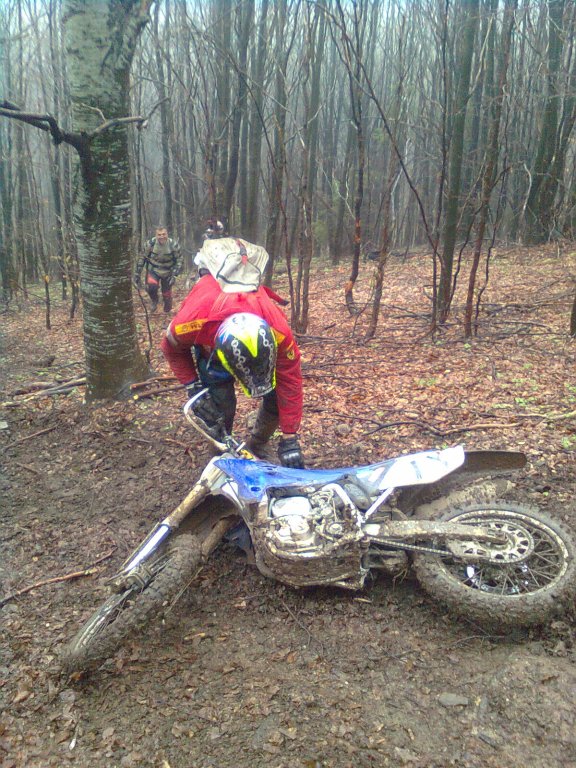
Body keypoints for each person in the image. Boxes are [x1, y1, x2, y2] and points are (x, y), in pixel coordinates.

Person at [160, 225, 304, 468]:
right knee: (219, 405)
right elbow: (171, 348)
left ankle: (258, 444)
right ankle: (220, 453)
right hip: (211, 342)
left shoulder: (278, 331)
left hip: (241, 330)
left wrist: (290, 437)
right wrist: (193, 387)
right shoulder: (193, 322)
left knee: (274, 396)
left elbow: (290, 381)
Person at [134, 226, 182, 313]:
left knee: (167, 296)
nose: (162, 237)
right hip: (153, 270)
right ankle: (154, 300)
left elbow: (179, 260)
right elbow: (142, 258)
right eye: (159, 235)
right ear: (156, 235)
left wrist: (175, 274)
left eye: (164, 234)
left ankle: (167, 308)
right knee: (151, 287)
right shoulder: (150, 244)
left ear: (167, 234)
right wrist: (137, 274)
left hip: (168, 271)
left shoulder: (173, 245)